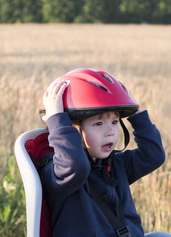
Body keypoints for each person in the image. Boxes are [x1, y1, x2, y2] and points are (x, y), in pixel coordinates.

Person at [39, 68, 170, 237]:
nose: (110, 132)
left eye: (115, 122)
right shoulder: (59, 173)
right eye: (98, 124)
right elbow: (75, 166)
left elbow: (153, 155)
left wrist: (132, 110)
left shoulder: (115, 164)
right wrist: (57, 118)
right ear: (71, 129)